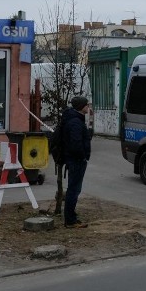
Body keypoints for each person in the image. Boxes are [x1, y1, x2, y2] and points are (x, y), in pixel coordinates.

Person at [62, 95, 91, 228]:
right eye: (87, 105)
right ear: (81, 107)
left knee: (73, 189)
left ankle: (71, 217)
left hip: (75, 159)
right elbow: (76, 143)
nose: (88, 107)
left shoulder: (75, 119)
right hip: (76, 160)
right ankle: (70, 220)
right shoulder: (75, 122)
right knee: (74, 189)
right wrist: (82, 156)